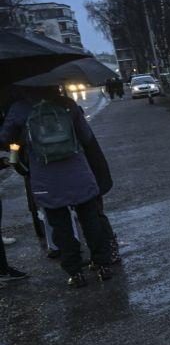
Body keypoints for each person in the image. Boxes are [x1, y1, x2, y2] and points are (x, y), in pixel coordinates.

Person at [0, 86, 114, 287]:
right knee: (90, 218)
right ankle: (103, 265)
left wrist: (21, 142)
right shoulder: (67, 104)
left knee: (60, 225)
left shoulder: (19, 108)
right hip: (78, 172)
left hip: (45, 178)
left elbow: (4, 139)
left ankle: (75, 272)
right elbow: (86, 138)